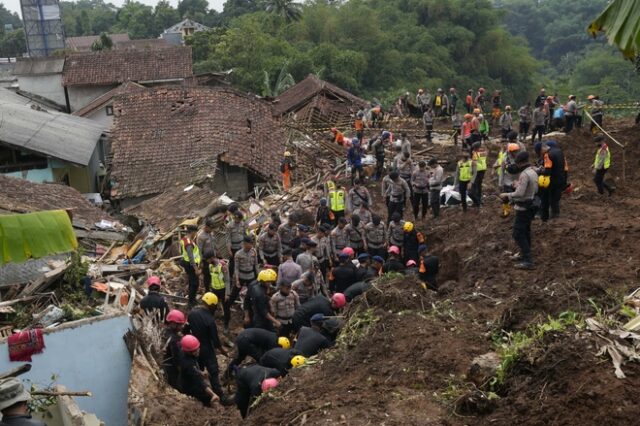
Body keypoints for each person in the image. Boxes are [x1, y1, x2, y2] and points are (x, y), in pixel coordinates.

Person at [185, 293, 231, 404]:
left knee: (198, 372)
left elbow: (186, 330)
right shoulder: (209, 319)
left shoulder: (191, 314)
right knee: (213, 373)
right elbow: (216, 342)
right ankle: (221, 397)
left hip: (194, 349)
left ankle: (201, 395)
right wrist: (224, 352)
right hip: (207, 350)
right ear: (211, 305)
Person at [500, 151, 539, 270]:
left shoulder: (524, 174)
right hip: (531, 204)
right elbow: (533, 188)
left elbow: (520, 193)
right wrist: (519, 185)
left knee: (517, 233)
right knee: (526, 231)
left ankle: (528, 260)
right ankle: (524, 254)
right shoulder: (533, 171)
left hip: (523, 207)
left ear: (519, 163)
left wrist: (507, 194)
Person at [224, 236, 258, 332]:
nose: (251, 246)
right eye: (249, 244)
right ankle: (226, 319)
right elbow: (236, 268)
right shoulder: (238, 254)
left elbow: (255, 265)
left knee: (251, 298)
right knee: (232, 297)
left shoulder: (254, 252)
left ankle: (248, 320)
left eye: (252, 244)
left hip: (251, 277)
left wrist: (257, 277)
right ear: (244, 244)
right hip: (241, 277)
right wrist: (237, 280)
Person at [539, 141, 566, 222]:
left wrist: (539, 171)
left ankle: (548, 217)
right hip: (560, 177)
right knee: (555, 198)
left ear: (543, 148)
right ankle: (556, 214)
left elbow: (547, 171)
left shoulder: (548, 155)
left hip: (553, 179)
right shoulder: (559, 151)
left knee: (548, 198)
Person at [162, 309, 186, 390]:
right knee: (176, 385)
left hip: (164, 363)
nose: (182, 326)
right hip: (171, 367)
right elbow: (176, 357)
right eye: (180, 324)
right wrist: (180, 368)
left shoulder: (164, 332)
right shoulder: (174, 339)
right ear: (173, 324)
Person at [180, 225, 201, 307]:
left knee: (192, 282)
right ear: (192, 232)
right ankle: (191, 302)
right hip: (191, 265)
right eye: (195, 232)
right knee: (195, 284)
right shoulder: (188, 243)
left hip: (187, 263)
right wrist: (196, 268)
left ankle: (192, 300)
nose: (196, 234)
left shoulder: (185, 239)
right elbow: (191, 257)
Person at [197, 219, 216, 292]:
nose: (211, 230)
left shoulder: (211, 233)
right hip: (206, 259)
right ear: (206, 227)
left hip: (213, 257)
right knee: (207, 275)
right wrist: (201, 261)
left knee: (214, 273)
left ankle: (213, 287)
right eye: (210, 228)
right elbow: (199, 250)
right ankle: (207, 290)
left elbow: (213, 244)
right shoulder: (201, 236)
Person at [471, 141, 488, 207]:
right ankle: (479, 199)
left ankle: (477, 201)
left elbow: (474, 163)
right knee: (479, 185)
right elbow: (485, 153)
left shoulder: (475, 154)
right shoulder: (483, 153)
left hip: (477, 171)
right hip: (483, 170)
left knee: (475, 186)